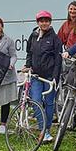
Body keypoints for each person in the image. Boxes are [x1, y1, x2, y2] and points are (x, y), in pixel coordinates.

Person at [24, 10, 61, 142]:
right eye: (41, 21)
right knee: (36, 101)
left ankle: (47, 130)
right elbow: (29, 52)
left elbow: (58, 60)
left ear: (50, 22)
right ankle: (43, 129)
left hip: (50, 76)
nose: (44, 23)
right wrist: (28, 65)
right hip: (35, 76)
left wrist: (55, 78)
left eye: (46, 21)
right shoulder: (33, 35)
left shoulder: (55, 38)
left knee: (49, 103)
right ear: (38, 22)